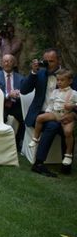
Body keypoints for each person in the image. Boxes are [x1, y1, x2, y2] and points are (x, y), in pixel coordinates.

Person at [20, 48, 76, 176]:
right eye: (46, 61)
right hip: (40, 115)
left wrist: (72, 115)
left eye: (51, 61)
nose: (48, 64)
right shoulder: (39, 73)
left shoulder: (68, 76)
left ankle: (66, 163)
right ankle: (39, 163)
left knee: (67, 129)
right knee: (52, 125)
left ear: (59, 60)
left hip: (64, 114)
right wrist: (33, 72)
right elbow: (23, 90)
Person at [28, 69, 77, 166]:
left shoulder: (74, 93)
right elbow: (51, 103)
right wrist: (48, 112)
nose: (59, 82)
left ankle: (68, 155)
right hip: (55, 113)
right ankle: (35, 138)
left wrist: (72, 107)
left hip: (67, 114)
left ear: (70, 81)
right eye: (58, 80)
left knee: (68, 132)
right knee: (40, 118)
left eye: (62, 80)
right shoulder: (55, 92)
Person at [0, 54, 24, 151]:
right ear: (1, 63)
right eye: (5, 61)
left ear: (14, 63)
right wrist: (8, 95)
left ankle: (17, 142)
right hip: (0, 105)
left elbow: (24, 92)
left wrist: (18, 93)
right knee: (1, 118)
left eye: (10, 61)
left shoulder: (20, 78)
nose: (7, 63)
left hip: (15, 104)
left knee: (25, 118)